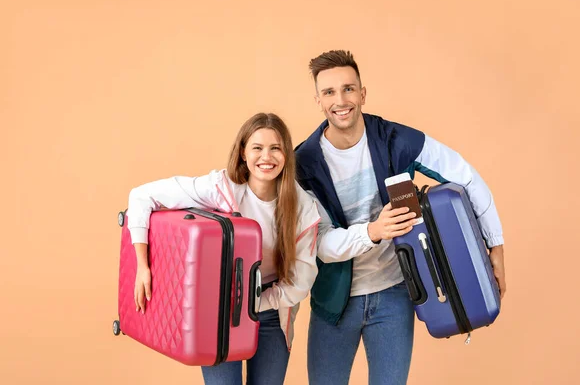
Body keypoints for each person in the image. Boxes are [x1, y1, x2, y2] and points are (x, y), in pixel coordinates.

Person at [294, 50, 507, 385]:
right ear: (318, 100)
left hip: (395, 294)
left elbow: (465, 176)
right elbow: (320, 244)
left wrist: (496, 247)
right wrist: (375, 231)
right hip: (333, 302)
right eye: (329, 92)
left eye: (349, 89)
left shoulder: (395, 140)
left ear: (363, 93)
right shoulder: (303, 164)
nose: (341, 100)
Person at [126, 112, 321, 385]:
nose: (267, 157)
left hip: (272, 313)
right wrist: (142, 266)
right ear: (243, 153)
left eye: (275, 148)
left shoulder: (302, 206)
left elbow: (301, 281)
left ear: (287, 154)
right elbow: (141, 196)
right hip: (219, 314)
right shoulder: (220, 188)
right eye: (257, 148)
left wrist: (255, 304)